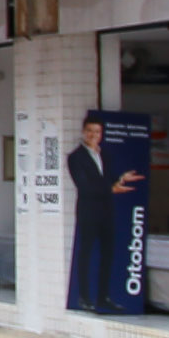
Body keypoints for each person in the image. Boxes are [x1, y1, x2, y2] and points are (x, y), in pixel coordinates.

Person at [65, 115, 145, 315]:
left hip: (107, 211)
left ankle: (103, 297)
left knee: (108, 254)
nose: (94, 135)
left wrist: (121, 179)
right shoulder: (75, 157)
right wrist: (111, 189)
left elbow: (108, 180)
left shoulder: (104, 155)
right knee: (86, 254)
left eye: (97, 132)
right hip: (88, 211)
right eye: (90, 131)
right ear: (84, 132)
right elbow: (84, 186)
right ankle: (84, 297)